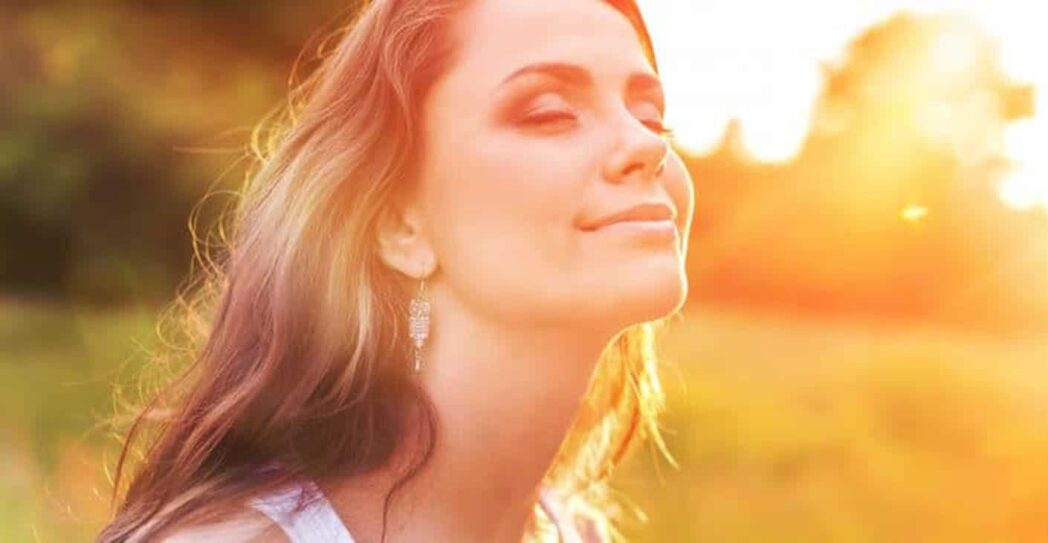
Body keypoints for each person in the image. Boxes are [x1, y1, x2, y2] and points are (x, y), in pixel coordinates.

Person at [98, 0, 694, 541]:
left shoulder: (576, 534)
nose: (647, 145)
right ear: (399, 227)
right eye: (549, 113)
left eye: (651, 115)